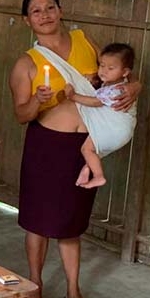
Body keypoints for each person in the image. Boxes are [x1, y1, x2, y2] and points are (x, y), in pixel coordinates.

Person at [7, 0, 139, 298]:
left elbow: (118, 73)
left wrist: (134, 86)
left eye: (50, 7)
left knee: (70, 224)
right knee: (38, 223)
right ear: (27, 21)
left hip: (82, 146)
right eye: (36, 11)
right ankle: (34, 285)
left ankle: (73, 290)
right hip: (46, 145)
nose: (45, 15)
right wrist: (37, 100)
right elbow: (21, 115)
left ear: (61, 11)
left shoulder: (84, 41)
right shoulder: (27, 62)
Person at [60, 43, 138, 189]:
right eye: (102, 65)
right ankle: (87, 169)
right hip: (117, 130)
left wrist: (73, 96)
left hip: (115, 128)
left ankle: (98, 176)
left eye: (110, 68)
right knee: (94, 150)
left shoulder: (117, 90)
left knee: (87, 149)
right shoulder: (118, 83)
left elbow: (95, 102)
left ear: (125, 72)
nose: (104, 71)